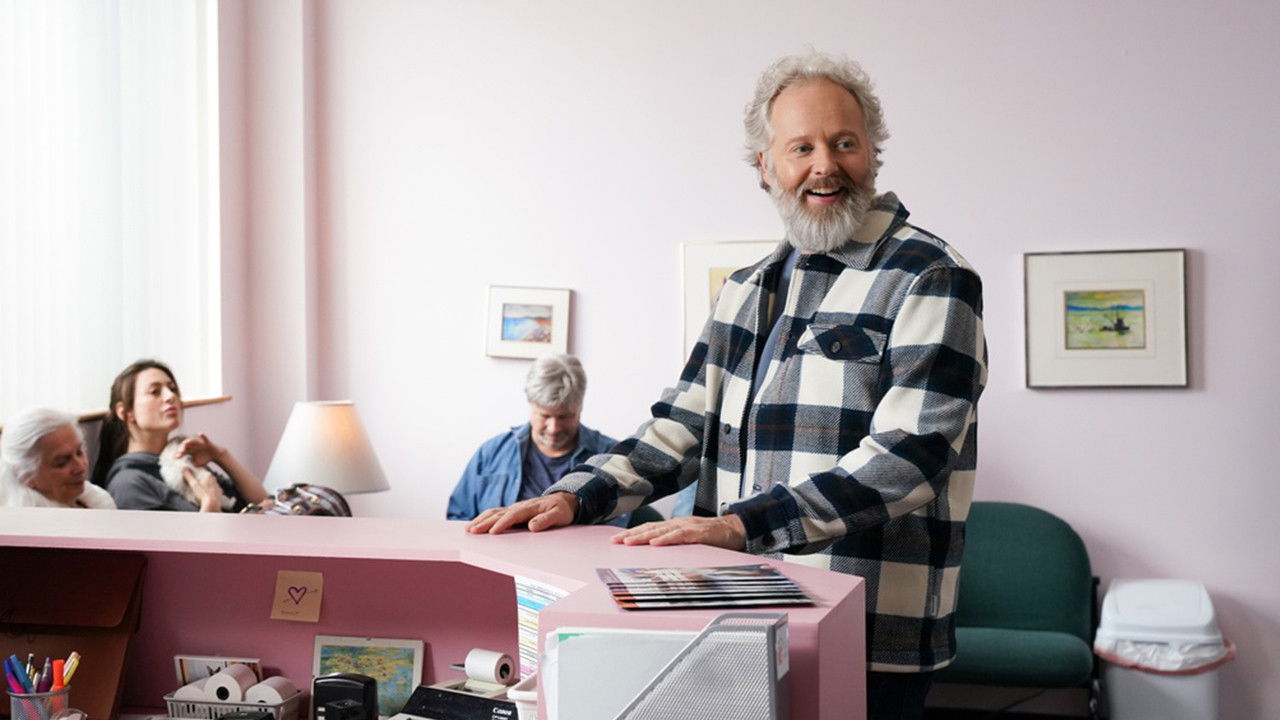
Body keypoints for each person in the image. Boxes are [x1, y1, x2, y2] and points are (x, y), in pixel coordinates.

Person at [468, 51, 987, 720]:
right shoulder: (743, 289)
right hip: (737, 618)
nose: (824, 165)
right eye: (801, 147)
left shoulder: (932, 276)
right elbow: (678, 429)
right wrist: (573, 496)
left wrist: (741, 526)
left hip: (869, 635)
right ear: (765, 166)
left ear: (872, 155)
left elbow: (910, 457)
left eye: (844, 143)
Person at [447, 354, 623, 522]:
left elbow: (620, 531)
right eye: (545, 415)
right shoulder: (491, 453)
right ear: (531, 405)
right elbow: (458, 518)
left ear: (580, 408)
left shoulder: (612, 459)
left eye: (564, 416)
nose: (553, 428)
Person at [91, 359, 267, 512]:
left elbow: (261, 501)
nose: (170, 396)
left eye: (172, 389)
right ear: (125, 412)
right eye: (155, 392)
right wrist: (210, 506)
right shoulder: (129, 483)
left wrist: (221, 455)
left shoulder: (182, 458)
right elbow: (168, 544)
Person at [0, 408, 116, 508]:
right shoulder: (29, 521)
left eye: (79, 452)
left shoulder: (95, 499)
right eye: (61, 463)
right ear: (26, 476)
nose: (80, 467)